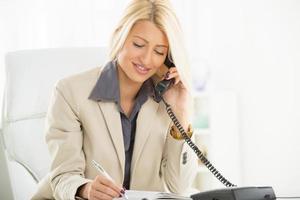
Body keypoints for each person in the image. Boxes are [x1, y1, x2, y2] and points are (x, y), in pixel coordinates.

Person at [32, 0, 198, 199]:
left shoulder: (167, 100)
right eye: (138, 44)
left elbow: (178, 187)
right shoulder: (70, 92)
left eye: (159, 52)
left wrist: (181, 115)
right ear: (120, 35)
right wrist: (86, 189)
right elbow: (63, 176)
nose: (146, 59)